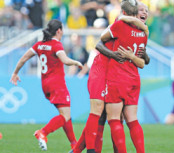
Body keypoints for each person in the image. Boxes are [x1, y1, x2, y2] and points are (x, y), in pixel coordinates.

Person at [70, 1, 149, 153]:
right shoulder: (121, 23)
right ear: (131, 13)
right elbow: (99, 44)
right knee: (100, 112)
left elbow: (145, 60)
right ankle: (86, 150)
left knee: (113, 118)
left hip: (117, 75)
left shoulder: (139, 31)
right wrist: (116, 54)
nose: (144, 13)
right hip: (102, 70)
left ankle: (79, 150)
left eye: (146, 11)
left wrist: (134, 53)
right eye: (141, 10)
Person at [10, 19, 83, 151]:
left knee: (65, 115)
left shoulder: (39, 45)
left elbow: (24, 58)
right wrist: (76, 63)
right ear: (59, 31)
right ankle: (43, 132)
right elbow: (65, 60)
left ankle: (74, 144)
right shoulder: (57, 45)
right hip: (57, 84)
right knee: (65, 116)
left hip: (45, 85)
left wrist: (15, 73)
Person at [100, 0, 148, 152]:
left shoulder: (119, 25)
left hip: (117, 77)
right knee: (132, 120)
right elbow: (142, 62)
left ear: (124, 12)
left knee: (114, 119)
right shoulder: (143, 33)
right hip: (134, 79)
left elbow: (102, 38)